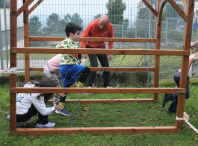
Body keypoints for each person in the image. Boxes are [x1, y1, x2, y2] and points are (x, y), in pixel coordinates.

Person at [56, 22, 91, 116]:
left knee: (66, 89)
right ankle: (79, 88)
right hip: (68, 66)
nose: (79, 36)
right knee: (87, 70)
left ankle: (60, 107)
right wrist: (68, 49)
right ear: (71, 34)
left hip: (65, 67)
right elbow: (58, 46)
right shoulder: (67, 41)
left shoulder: (73, 42)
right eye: (78, 34)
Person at [162, 41, 198, 113]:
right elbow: (190, 60)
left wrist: (188, 77)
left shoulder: (194, 53)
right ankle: (170, 95)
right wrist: (185, 74)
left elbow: (190, 43)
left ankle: (172, 108)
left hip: (179, 75)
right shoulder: (195, 56)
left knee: (182, 94)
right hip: (181, 75)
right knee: (186, 95)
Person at [80, 15, 114, 88]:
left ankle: (106, 85)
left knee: (106, 66)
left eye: (104, 25)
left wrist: (109, 51)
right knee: (94, 66)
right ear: (98, 21)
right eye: (100, 24)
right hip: (90, 46)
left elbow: (111, 38)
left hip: (101, 47)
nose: (101, 27)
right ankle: (89, 85)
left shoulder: (110, 26)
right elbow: (83, 37)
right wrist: (83, 50)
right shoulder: (92, 25)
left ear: (108, 23)